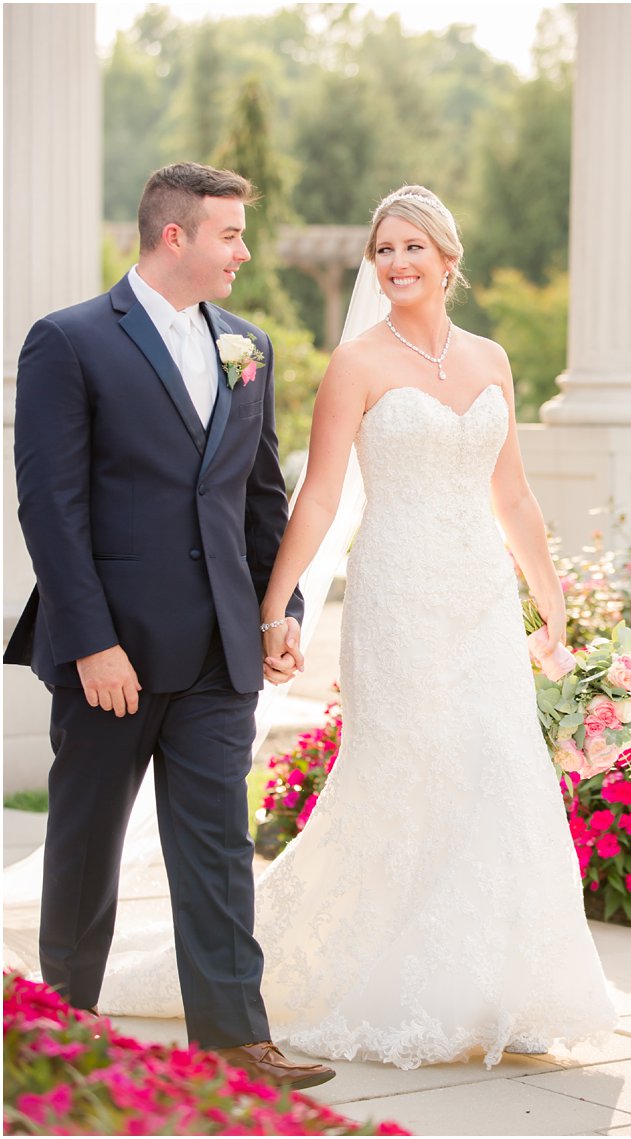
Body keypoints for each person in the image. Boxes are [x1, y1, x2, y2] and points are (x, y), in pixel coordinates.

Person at [92, 185, 619, 1069]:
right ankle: (401, 985)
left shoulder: (491, 359)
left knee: (500, 771)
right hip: (399, 596)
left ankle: (503, 988)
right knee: (408, 778)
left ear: (450, 260)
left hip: (482, 599)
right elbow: (322, 494)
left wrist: (551, 597)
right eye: (385, 250)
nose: (398, 263)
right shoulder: (358, 364)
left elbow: (514, 492)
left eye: (415, 247)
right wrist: (275, 605)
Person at [4, 162, 333, 1089]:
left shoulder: (249, 345)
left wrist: (281, 611)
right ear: (174, 236)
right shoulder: (68, 342)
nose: (245, 251)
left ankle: (234, 1037)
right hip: (112, 652)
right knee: (86, 847)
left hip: (222, 650)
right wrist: (91, 639)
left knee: (220, 850)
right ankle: (56, 1033)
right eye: (230, 234)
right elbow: (51, 508)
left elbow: (260, 500)